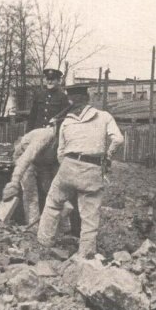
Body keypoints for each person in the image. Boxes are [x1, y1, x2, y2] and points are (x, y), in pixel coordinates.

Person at [37, 94, 124, 259]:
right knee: (90, 215)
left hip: (68, 166)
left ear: (71, 101)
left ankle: (44, 242)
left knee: (53, 203)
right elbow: (118, 140)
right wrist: (108, 156)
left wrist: (67, 167)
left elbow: (60, 152)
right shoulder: (104, 116)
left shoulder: (66, 121)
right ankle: (85, 253)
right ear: (88, 99)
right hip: (92, 168)